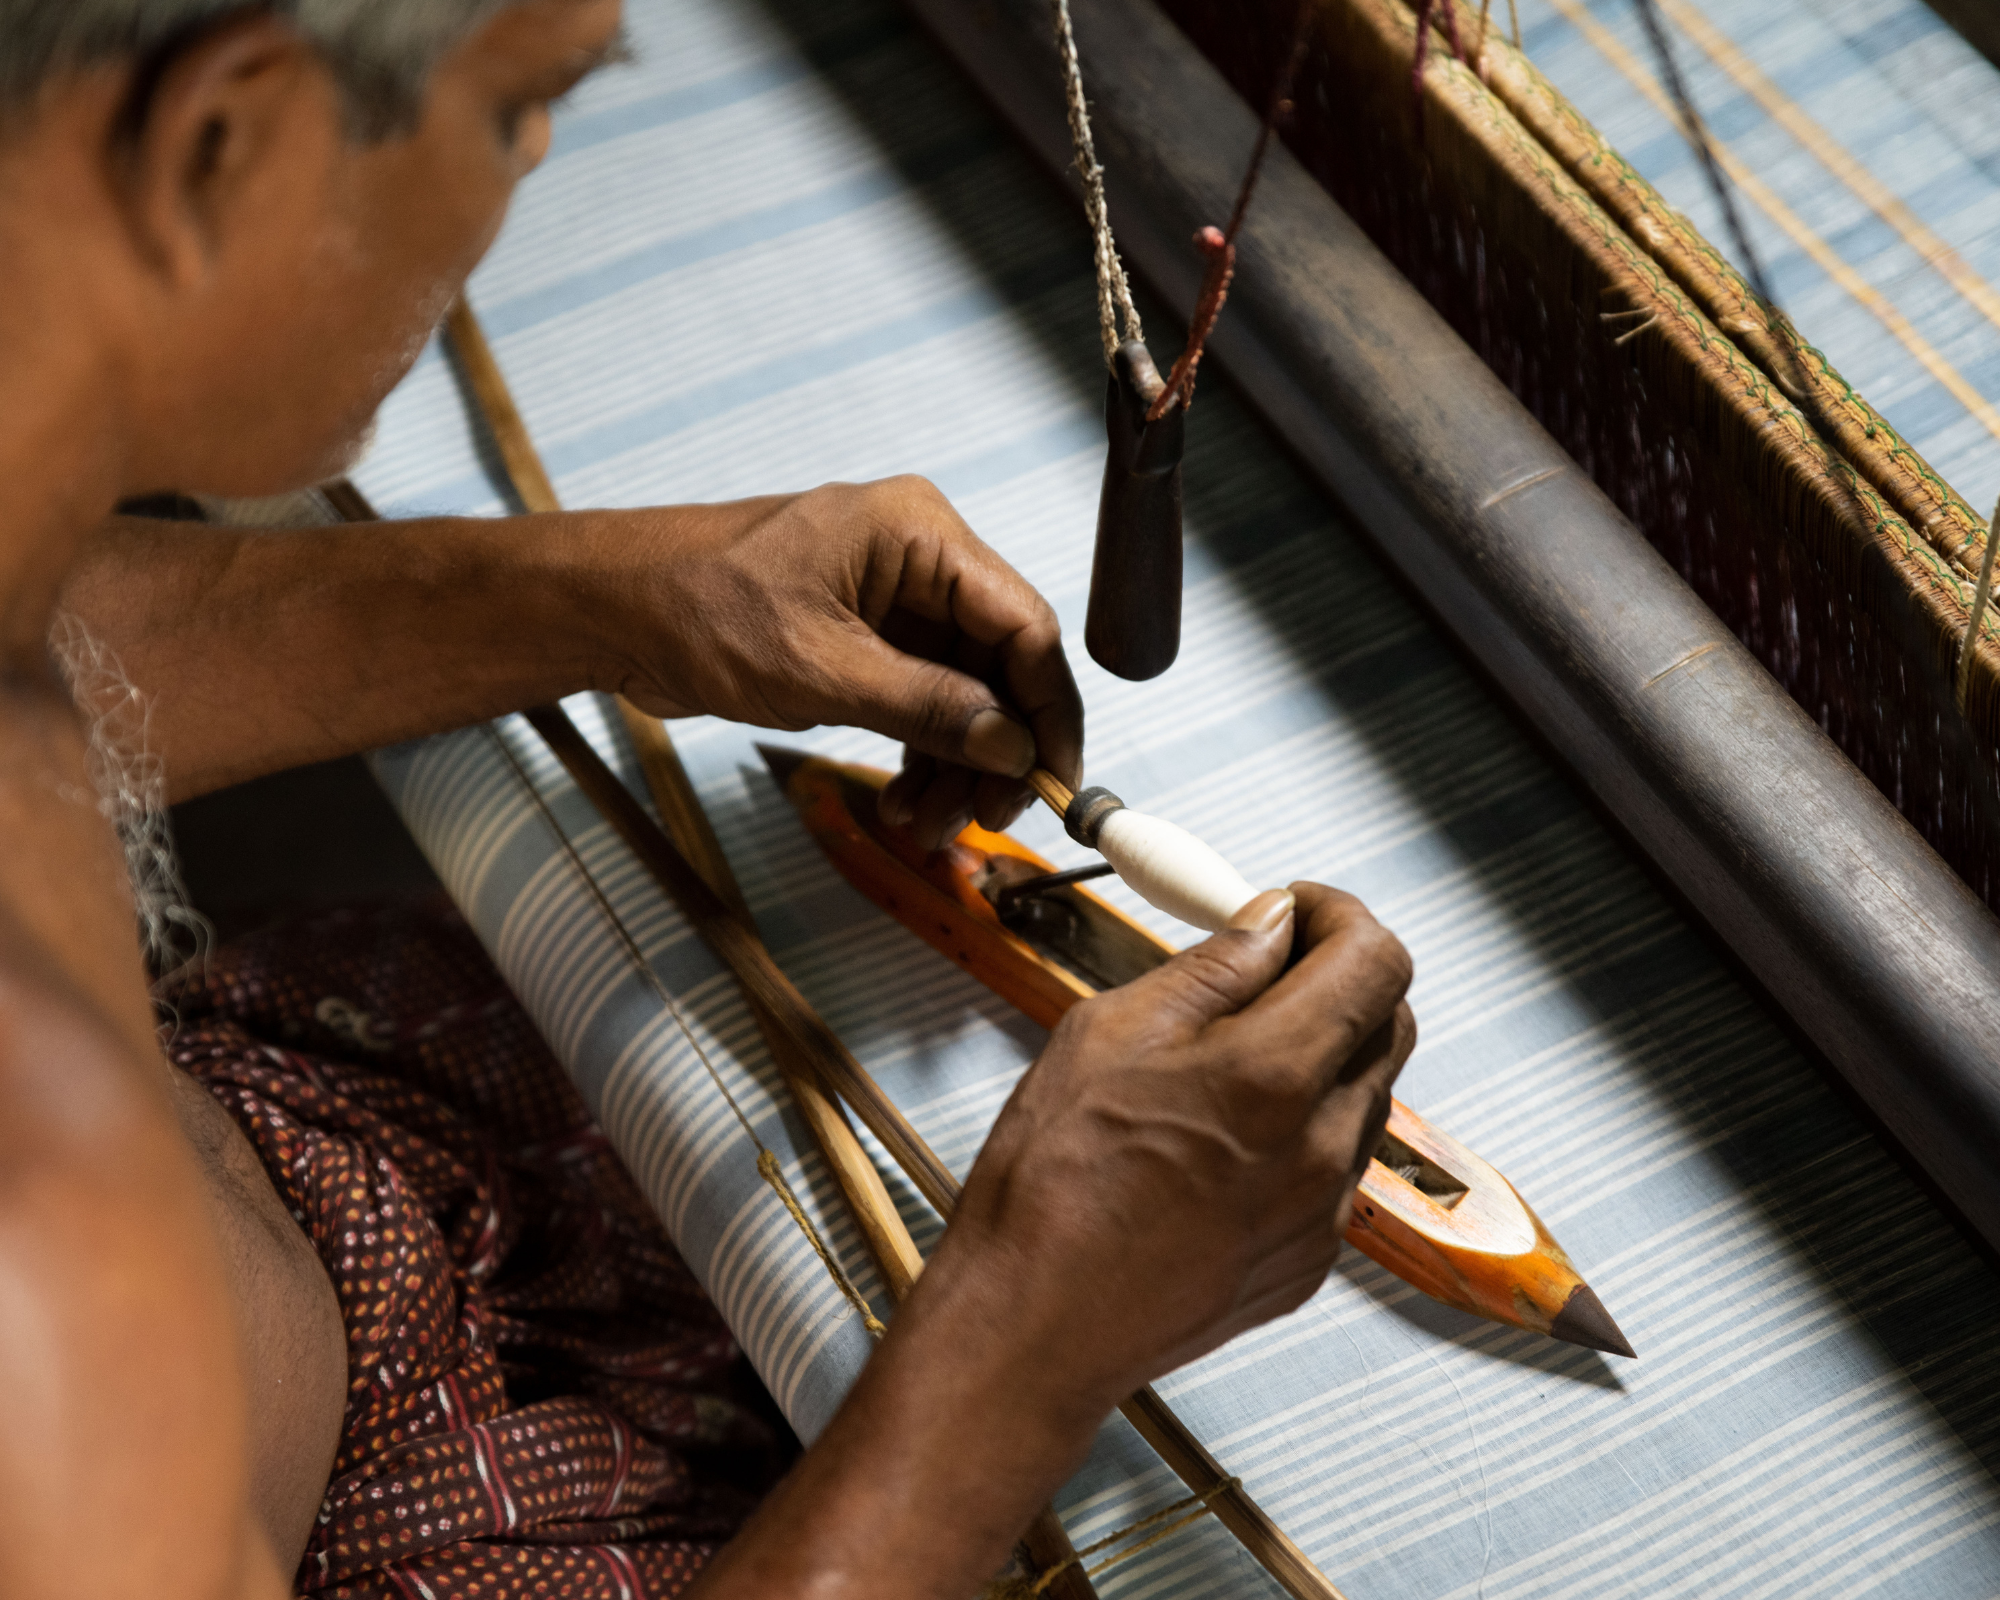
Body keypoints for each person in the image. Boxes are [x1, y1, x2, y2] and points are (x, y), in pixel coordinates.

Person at [0, 1, 1416, 1595]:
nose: (533, 164)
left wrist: (628, 593)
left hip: (300, 1207)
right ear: (220, 144)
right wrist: (1026, 1340)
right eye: (520, 107)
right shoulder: (44, 1338)